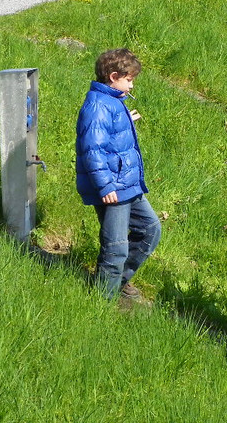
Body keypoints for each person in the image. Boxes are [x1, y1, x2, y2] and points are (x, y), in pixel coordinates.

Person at [76, 48, 162, 303]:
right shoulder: (98, 105)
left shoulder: (113, 102)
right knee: (115, 248)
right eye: (129, 79)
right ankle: (102, 302)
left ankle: (119, 280)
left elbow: (109, 139)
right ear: (113, 77)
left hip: (127, 184)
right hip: (113, 187)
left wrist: (126, 122)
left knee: (150, 229)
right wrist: (105, 187)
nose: (132, 85)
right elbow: (92, 150)